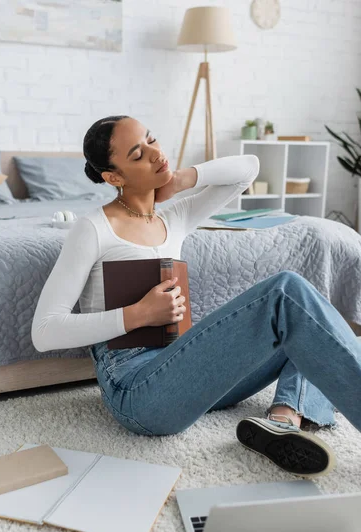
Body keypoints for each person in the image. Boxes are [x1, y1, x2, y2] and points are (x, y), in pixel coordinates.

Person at [31, 115, 361, 479]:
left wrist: (181, 179)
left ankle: (283, 420)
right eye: (139, 154)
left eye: (152, 139)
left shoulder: (175, 216)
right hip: (136, 389)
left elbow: (247, 169)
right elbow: (45, 331)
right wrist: (138, 314)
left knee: (308, 324)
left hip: (186, 369)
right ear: (114, 177)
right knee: (286, 292)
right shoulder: (92, 228)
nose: (156, 154)